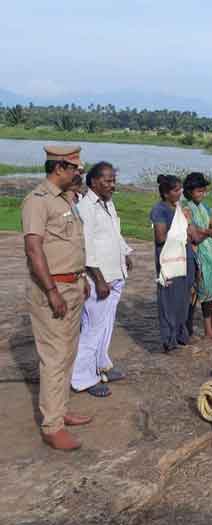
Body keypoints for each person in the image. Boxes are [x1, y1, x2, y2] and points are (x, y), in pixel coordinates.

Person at [22, 145, 91, 450]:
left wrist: (82, 277)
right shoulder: (37, 201)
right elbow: (34, 249)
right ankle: (52, 426)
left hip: (73, 285)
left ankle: (60, 411)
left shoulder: (66, 200)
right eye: (75, 168)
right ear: (60, 168)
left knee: (68, 353)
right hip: (53, 289)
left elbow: (72, 244)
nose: (79, 173)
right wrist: (51, 290)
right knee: (53, 356)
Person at [71, 162, 132, 398]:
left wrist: (125, 252)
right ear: (93, 182)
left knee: (106, 325)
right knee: (92, 328)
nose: (112, 185)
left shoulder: (107, 203)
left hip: (115, 274)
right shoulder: (86, 208)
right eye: (107, 181)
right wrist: (98, 280)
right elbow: (86, 248)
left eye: (113, 180)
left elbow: (113, 234)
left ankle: (101, 364)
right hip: (100, 278)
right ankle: (82, 378)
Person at [151, 175, 197, 353]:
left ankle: (181, 334)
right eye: (176, 190)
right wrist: (181, 225)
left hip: (185, 259)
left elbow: (192, 234)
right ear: (165, 193)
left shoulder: (180, 209)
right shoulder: (159, 210)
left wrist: (187, 221)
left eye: (180, 189)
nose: (180, 193)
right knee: (168, 300)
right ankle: (168, 339)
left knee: (183, 299)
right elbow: (160, 237)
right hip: (169, 261)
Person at [183, 172, 212, 340]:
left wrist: (203, 231)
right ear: (190, 191)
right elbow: (195, 237)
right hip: (196, 254)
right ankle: (188, 328)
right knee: (194, 293)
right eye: (198, 191)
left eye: (203, 191)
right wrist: (207, 232)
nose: (201, 194)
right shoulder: (186, 208)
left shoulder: (205, 208)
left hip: (210, 253)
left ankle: (208, 330)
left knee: (210, 293)